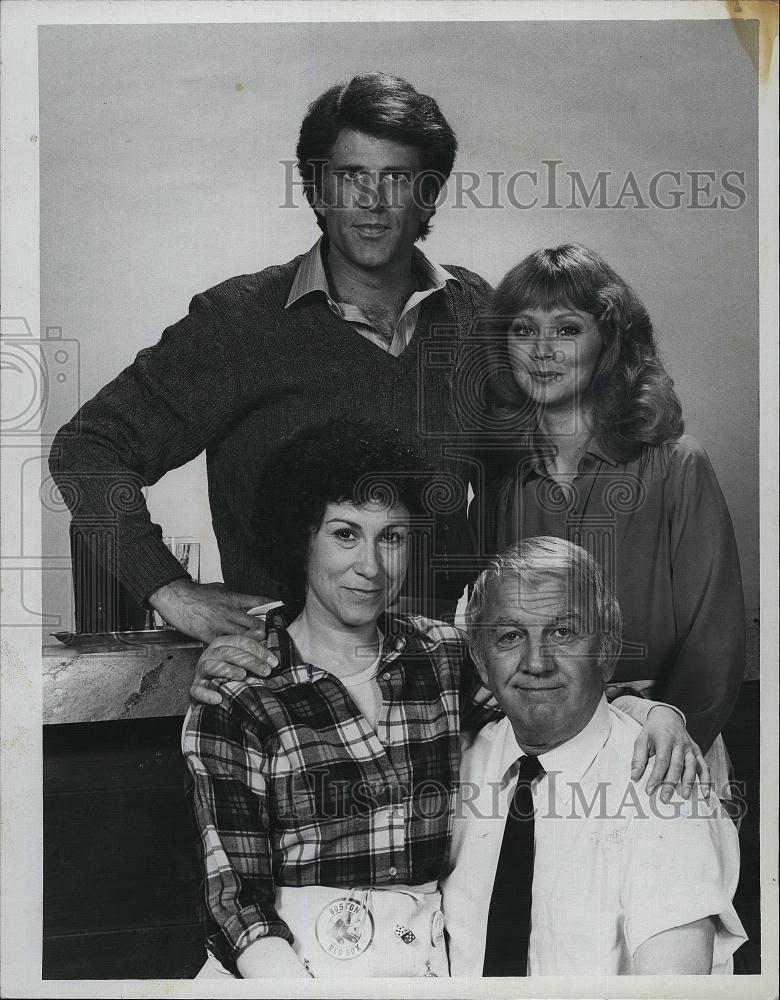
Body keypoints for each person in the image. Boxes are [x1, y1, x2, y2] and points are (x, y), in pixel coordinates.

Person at [182, 421, 706, 979]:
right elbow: (234, 902)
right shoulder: (239, 692)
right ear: (301, 537)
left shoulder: (437, 657)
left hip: (425, 968)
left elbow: (553, 693)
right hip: (286, 973)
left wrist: (656, 713)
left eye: (391, 537)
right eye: (344, 534)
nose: (371, 566)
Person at [49, 72, 491, 641]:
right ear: (314, 189)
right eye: (351, 175)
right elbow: (89, 447)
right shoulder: (242, 321)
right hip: (287, 688)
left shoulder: (475, 312)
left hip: (445, 683)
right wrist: (168, 589)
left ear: (428, 193)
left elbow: (531, 477)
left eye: (398, 178)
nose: (373, 201)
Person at [463, 243, 744, 792]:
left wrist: (673, 721)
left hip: (659, 744)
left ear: (609, 341)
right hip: (535, 741)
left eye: (567, 329)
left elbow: (715, 638)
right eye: (523, 330)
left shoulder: (678, 466)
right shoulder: (500, 485)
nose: (542, 351)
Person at [442, 537, 747, 976]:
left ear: (606, 649)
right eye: (509, 637)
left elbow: (670, 987)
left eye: (562, 632)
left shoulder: (661, 781)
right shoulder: (460, 760)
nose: (536, 663)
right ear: (481, 659)